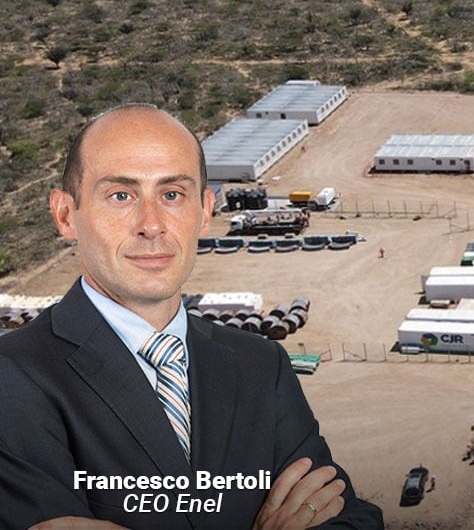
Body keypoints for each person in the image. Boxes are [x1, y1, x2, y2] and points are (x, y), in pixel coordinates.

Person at [0, 105, 383, 528]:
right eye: (121, 196)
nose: (151, 225)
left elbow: (353, 518)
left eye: (171, 195)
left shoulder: (260, 364)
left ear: (204, 211)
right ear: (66, 215)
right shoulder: (14, 375)